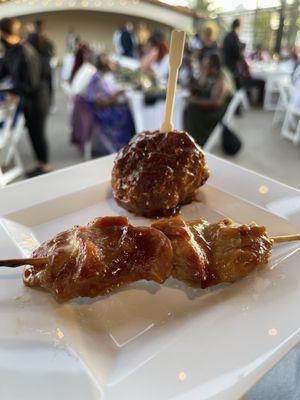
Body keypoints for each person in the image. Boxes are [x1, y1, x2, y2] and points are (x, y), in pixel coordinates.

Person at [0, 17, 51, 177]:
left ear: (3, 33)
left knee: (37, 132)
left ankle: (44, 165)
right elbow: (4, 71)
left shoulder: (25, 51)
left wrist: (12, 91)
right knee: (32, 131)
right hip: (28, 98)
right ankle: (41, 163)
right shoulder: (11, 50)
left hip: (37, 99)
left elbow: (31, 83)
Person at [83, 54, 135, 155]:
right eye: (111, 62)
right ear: (105, 65)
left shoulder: (101, 76)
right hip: (101, 114)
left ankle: (127, 146)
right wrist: (116, 95)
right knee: (127, 114)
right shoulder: (97, 79)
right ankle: (122, 148)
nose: (113, 64)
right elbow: (100, 103)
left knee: (127, 111)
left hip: (106, 109)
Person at [184, 53, 234, 146]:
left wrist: (194, 100)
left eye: (206, 65)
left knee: (191, 110)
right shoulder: (211, 75)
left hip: (214, 114)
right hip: (209, 108)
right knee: (189, 108)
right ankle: (190, 138)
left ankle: (197, 140)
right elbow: (200, 86)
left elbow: (215, 103)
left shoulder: (222, 80)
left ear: (213, 67)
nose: (204, 67)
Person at [27, 19, 55, 110]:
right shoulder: (44, 38)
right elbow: (51, 51)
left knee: (38, 85)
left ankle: (42, 104)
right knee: (46, 86)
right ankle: (48, 104)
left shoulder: (32, 38)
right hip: (45, 66)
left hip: (37, 66)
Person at [223, 19, 242, 89]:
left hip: (226, 64)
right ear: (238, 26)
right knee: (235, 86)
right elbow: (237, 53)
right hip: (232, 67)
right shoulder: (234, 37)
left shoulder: (227, 36)